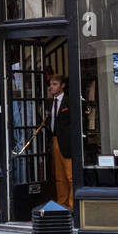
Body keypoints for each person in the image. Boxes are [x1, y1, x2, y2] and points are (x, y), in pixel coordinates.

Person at [45, 73, 73, 211]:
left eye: (55, 84)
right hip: (54, 140)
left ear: (62, 86)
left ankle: (72, 204)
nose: (51, 87)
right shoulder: (50, 102)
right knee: (59, 176)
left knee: (70, 175)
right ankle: (62, 203)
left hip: (67, 142)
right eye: (50, 84)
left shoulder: (69, 101)